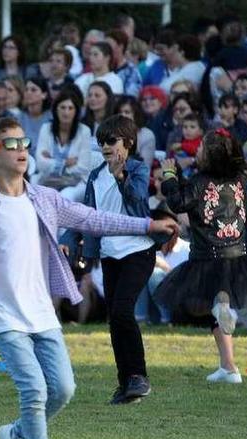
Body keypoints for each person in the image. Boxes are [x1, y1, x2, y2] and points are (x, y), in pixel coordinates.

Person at [0, 117, 176, 439]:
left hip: (42, 312)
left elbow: (94, 219)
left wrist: (147, 226)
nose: (21, 150)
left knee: (63, 389)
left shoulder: (44, 198)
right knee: (34, 389)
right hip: (2, 314)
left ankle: (15, 436)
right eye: (11, 145)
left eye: (23, 142)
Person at [155, 129, 247, 383]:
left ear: (211, 155)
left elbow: (178, 202)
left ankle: (228, 357)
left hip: (207, 256)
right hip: (236, 254)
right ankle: (228, 367)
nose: (198, 150)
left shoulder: (200, 181)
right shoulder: (237, 181)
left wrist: (170, 175)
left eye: (202, 147)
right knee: (218, 307)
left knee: (211, 307)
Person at [61, 115, 163, 404]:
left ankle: (138, 377)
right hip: (109, 253)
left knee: (121, 312)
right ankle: (125, 383)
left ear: (128, 143)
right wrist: (68, 239)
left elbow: (138, 205)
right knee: (114, 318)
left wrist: (121, 178)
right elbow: (88, 214)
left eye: (111, 140)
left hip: (138, 251)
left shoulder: (138, 169)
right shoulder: (95, 175)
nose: (105, 145)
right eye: (101, 141)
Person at [35, 89, 93, 201]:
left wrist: (52, 161)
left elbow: (83, 167)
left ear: (76, 111)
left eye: (70, 108)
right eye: (62, 107)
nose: (66, 112)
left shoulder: (84, 131)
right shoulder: (46, 128)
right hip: (48, 180)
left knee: (66, 196)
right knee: (35, 193)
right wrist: (65, 163)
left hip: (76, 183)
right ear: (56, 109)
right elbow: (40, 163)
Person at [114, 95, 157, 167]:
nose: (122, 115)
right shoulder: (111, 132)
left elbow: (145, 166)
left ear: (136, 115)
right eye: (119, 112)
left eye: (127, 112)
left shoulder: (146, 135)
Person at [20, 77, 52, 158]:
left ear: (44, 95)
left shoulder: (52, 118)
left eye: (33, 90)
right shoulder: (19, 118)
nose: (28, 93)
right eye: (26, 90)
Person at [107, 29, 142, 97]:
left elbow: (131, 97)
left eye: (109, 46)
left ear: (120, 47)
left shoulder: (131, 72)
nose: (105, 49)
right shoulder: (104, 68)